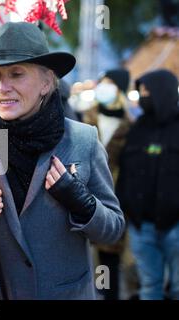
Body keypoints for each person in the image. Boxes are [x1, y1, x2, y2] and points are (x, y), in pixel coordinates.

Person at [0, 22, 125, 300]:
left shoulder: (83, 140)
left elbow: (113, 230)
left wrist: (81, 202)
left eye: (17, 74)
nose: (3, 87)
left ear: (47, 82)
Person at [116, 69, 179, 300]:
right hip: (142, 227)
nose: (142, 96)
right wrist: (128, 210)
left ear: (162, 92)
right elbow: (125, 172)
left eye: (146, 91)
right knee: (149, 287)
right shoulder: (136, 129)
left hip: (176, 227)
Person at [83, 68, 133, 300]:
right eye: (103, 82)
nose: (104, 86)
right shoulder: (84, 119)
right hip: (80, 197)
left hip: (115, 200)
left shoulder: (130, 127)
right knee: (81, 261)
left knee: (108, 263)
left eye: (111, 83)